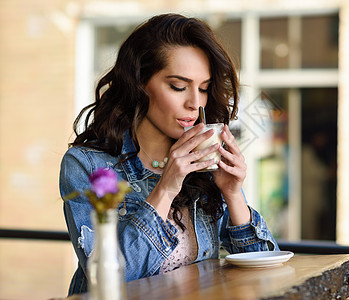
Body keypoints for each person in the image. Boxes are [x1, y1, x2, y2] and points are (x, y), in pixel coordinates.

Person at [59, 13, 279, 295]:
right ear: (139, 82)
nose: (195, 103)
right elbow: (110, 280)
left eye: (204, 88)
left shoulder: (205, 160)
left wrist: (233, 194)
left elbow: (267, 274)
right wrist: (166, 187)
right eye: (178, 86)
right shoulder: (88, 165)